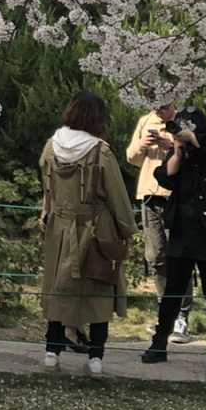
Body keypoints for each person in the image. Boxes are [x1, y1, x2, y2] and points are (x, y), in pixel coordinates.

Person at [39, 92, 136, 377]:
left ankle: (51, 351)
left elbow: (47, 187)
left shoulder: (51, 147)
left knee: (59, 288)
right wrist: (126, 229)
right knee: (99, 287)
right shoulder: (100, 151)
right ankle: (96, 356)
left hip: (60, 226)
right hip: (94, 228)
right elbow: (117, 195)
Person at [139, 107, 206, 374]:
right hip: (183, 230)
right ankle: (159, 344)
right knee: (172, 291)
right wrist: (178, 149)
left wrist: (194, 142)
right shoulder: (180, 152)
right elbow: (164, 177)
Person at [126, 95, 193, 343]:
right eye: (155, 105)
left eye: (164, 105)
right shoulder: (145, 121)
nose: (159, 110)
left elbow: (198, 155)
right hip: (150, 194)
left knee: (180, 257)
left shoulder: (186, 121)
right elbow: (131, 158)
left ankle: (181, 317)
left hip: (178, 196)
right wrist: (143, 144)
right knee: (156, 256)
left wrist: (170, 143)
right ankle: (165, 310)